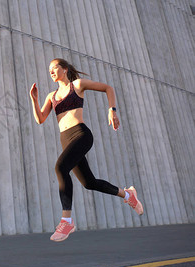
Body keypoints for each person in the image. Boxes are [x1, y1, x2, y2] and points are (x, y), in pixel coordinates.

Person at [29, 58, 143, 242]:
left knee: (60, 168)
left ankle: (67, 220)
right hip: (66, 141)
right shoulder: (51, 96)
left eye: (54, 67)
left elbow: (108, 88)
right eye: (48, 69)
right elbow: (40, 119)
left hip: (81, 135)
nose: (50, 71)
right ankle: (128, 194)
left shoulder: (77, 85)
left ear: (64, 69)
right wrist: (34, 100)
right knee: (89, 183)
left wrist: (111, 110)